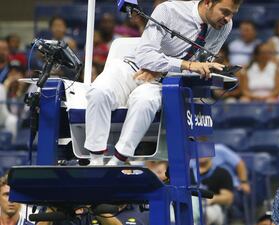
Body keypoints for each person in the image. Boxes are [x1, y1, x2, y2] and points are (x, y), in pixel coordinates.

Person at [85, 0, 242, 166]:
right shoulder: (168, 10)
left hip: (163, 81)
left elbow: (201, 65)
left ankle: (117, 160)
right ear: (208, 3)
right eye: (225, 12)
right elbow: (145, 56)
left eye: (232, 14)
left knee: (145, 102)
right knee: (99, 92)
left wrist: (163, 69)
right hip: (131, 68)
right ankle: (95, 160)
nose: (228, 18)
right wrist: (184, 65)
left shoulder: (224, 26)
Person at [191, 157, 234, 225]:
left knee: (205, 214)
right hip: (191, 206)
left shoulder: (222, 172)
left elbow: (228, 198)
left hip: (213, 207)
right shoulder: (188, 172)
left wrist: (213, 199)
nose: (202, 155)